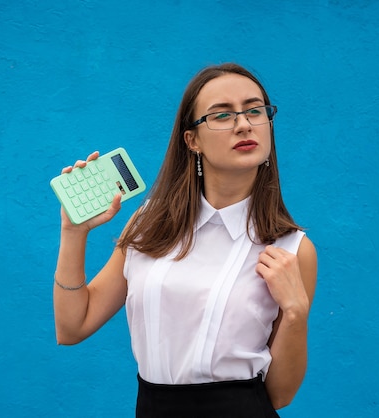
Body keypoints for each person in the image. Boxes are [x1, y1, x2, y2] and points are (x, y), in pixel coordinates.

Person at [53, 63, 317, 417]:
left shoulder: (290, 249)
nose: (243, 124)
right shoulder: (149, 226)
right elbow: (72, 326)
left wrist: (296, 312)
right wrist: (74, 232)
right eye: (222, 115)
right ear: (192, 140)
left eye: (255, 111)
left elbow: (280, 395)